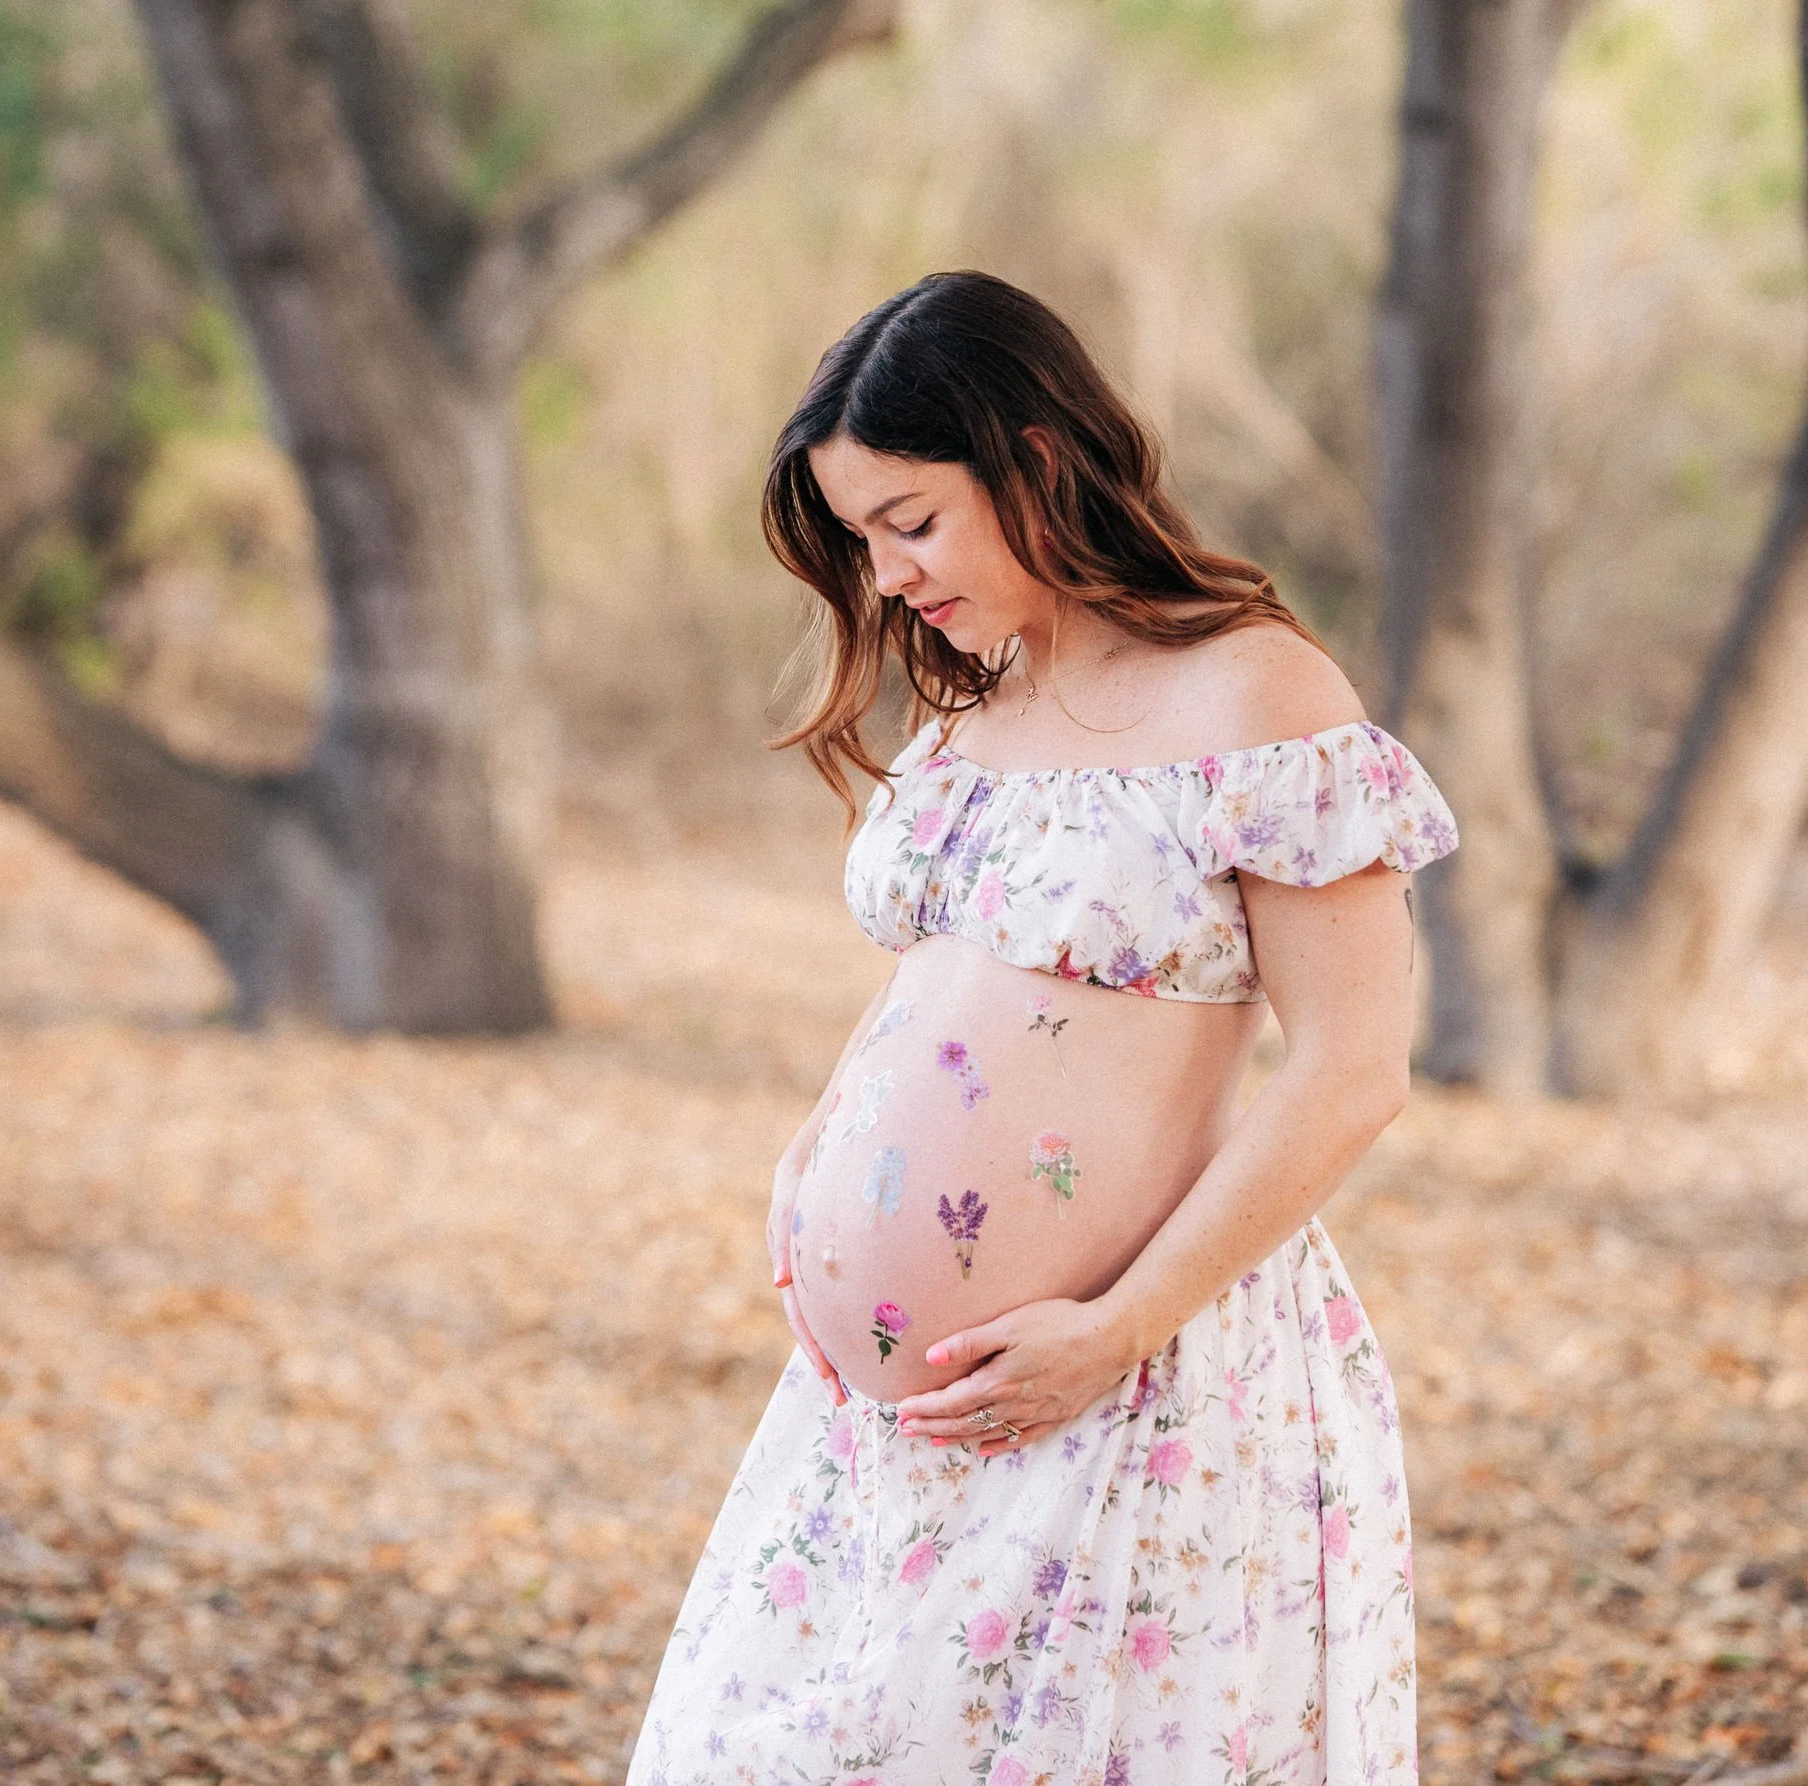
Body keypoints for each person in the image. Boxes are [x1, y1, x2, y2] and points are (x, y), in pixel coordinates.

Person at [625, 270, 1458, 1785]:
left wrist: (1113, 1329)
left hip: (1132, 1375)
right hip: (876, 1430)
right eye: (862, 539)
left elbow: (1353, 1074)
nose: (886, 580)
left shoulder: (1259, 694)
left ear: (1036, 461)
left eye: (912, 523)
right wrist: (822, 1146)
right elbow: (943, 974)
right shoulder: (979, 704)